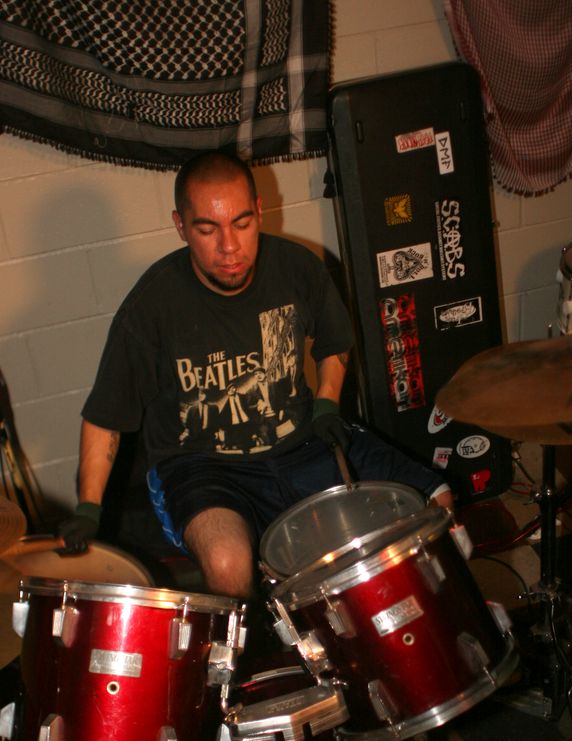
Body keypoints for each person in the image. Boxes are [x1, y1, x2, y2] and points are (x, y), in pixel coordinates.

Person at [59, 151, 452, 601]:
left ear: (260, 211)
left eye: (242, 223)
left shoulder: (297, 268)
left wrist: (326, 402)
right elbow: (106, 417)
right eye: (207, 229)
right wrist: (89, 508)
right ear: (181, 226)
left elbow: (333, 342)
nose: (229, 246)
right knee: (228, 563)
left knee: (436, 502)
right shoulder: (152, 305)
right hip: (203, 464)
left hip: (301, 440)